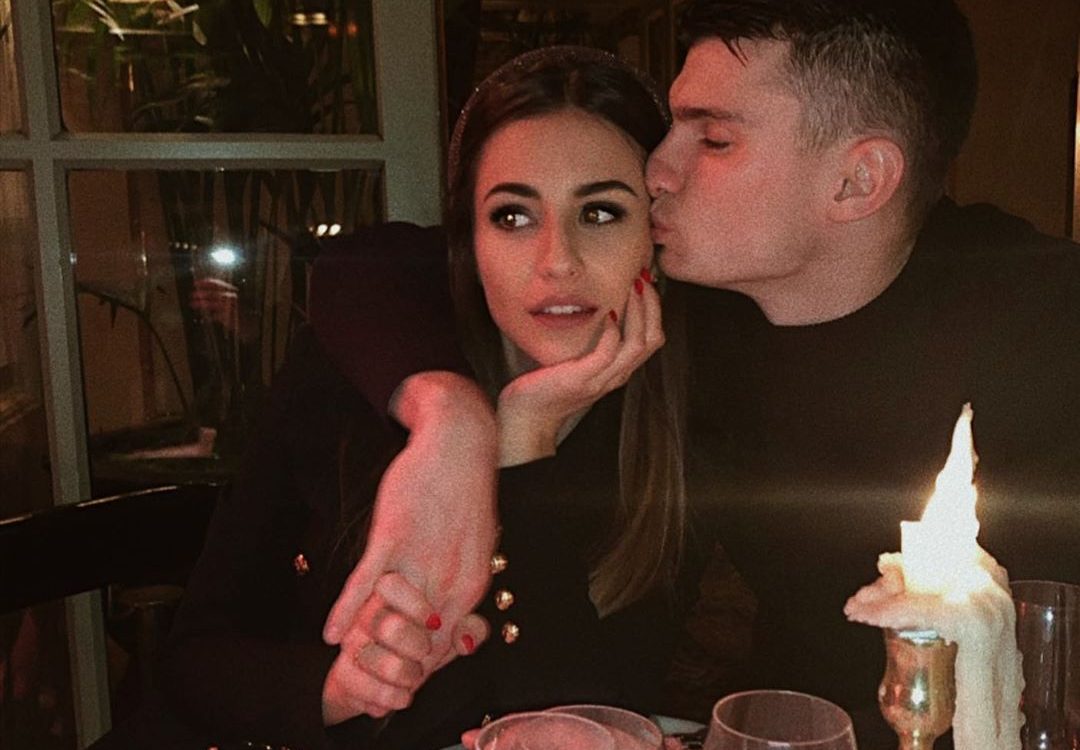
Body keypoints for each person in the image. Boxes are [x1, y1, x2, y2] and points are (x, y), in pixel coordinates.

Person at [322, 0, 1080, 744]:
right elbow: (373, 266)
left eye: (713, 139)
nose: (656, 168)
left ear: (858, 180)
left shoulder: (1047, 324)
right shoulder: (699, 318)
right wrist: (455, 417)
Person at [156, 46, 712, 750]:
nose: (557, 261)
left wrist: (524, 443)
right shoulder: (352, 377)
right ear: (467, 243)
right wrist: (340, 690)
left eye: (600, 212)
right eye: (513, 217)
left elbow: (588, 716)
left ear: (655, 240)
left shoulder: (677, 423)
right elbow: (192, 660)